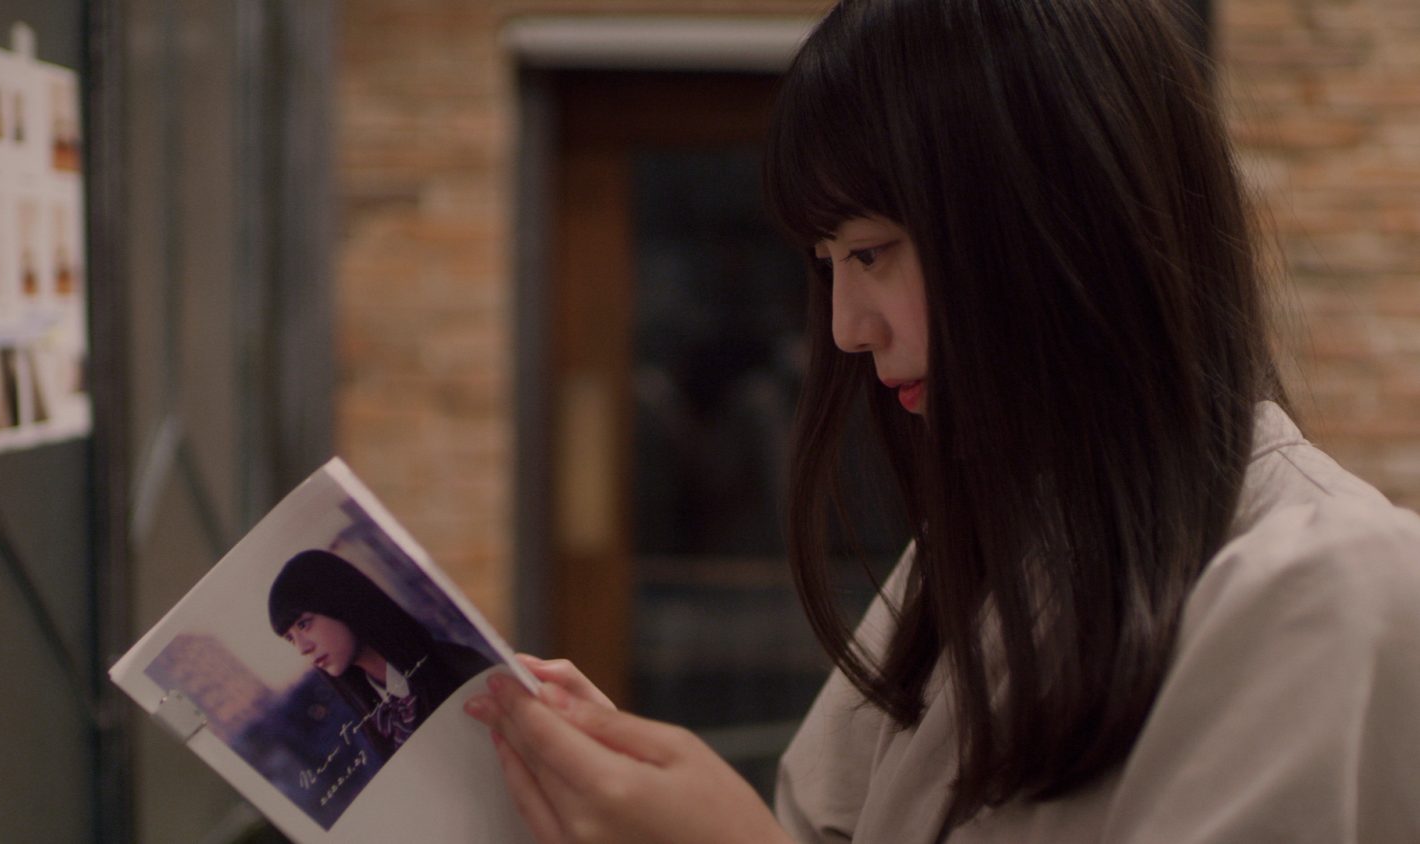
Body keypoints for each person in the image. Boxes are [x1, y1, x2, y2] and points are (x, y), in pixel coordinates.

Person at [464, 0, 1420, 841]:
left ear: (1055, 220)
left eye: (871, 253)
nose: (847, 328)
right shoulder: (980, 558)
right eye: (828, 264)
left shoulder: (1328, 586)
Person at [268, 549, 494, 760]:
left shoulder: (454, 663)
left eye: (304, 624)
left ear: (339, 600)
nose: (302, 648)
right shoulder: (374, 724)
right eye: (290, 638)